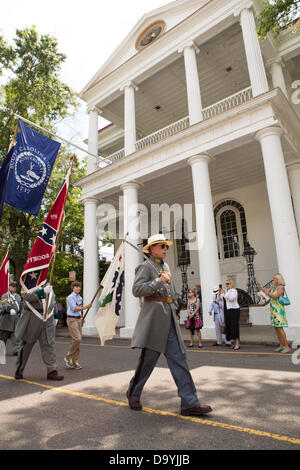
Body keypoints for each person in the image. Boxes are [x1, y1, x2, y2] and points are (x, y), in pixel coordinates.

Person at [127, 233, 212, 417]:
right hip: (154, 321)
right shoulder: (144, 266)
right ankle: (133, 393)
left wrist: (177, 303)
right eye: (162, 246)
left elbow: (169, 292)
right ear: (151, 249)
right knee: (147, 361)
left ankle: (189, 402)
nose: (165, 249)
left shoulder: (164, 266)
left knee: (179, 359)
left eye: (166, 246)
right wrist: (160, 280)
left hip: (169, 319)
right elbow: (137, 290)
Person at [14, 284, 64, 380]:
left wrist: (56, 315)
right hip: (32, 316)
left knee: (49, 344)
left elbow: (52, 301)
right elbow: (26, 296)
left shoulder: (48, 284)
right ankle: (19, 370)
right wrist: (42, 292)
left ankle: (52, 370)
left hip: (48, 318)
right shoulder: (27, 283)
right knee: (26, 345)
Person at [64, 281, 92, 370]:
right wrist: (86, 307)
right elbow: (74, 309)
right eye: (76, 287)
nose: (78, 288)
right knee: (77, 338)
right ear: (72, 288)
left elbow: (79, 311)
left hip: (78, 319)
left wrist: (81, 317)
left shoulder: (80, 297)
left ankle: (75, 360)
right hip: (71, 319)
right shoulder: (70, 297)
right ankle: (68, 357)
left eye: (79, 287)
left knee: (78, 341)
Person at [261, 273, 290, 353]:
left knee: (280, 328)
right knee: (276, 328)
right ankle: (281, 345)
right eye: (273, 278)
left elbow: (275, 296)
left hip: (279, 309)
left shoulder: (281, 287)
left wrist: (266, 292)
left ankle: (287, 346)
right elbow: (266, 294)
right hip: (273, 309)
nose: (274, 280)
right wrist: (263, 290)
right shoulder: (273, 287)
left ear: (279, 279)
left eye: (275, 278)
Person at [0, 281, 23, 356]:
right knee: (4, 336)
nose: (14, 287)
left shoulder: (18, 297)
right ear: (9, 287)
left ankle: (16, 349)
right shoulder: (5, 295)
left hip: (16, 318)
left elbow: (21, 306)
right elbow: (4, 304)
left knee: (16, 335)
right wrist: (10, 308)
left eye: (15, 286)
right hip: (7, 317)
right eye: (12, 286)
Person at [223, 279, 240, 350]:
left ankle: (237, 343)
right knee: (229, 326)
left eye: (228, 284)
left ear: (231, 284)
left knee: (234, 326)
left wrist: (225, 293)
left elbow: (231, 298)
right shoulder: (228, 292)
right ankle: (233, 342)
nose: (227, 285)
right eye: (226, 283)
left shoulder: (234, 291)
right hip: (228, 310)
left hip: (234, 310)